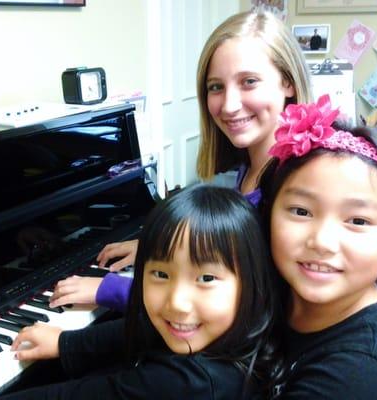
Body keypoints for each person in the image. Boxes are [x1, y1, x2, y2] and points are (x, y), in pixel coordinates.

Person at [49, 10, 312, 310]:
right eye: (216, 87)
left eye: (249, 81)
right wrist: (160, 250)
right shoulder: (251, 165)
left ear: (288, 82)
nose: (229, 104)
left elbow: (245, 295)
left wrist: (114, 290)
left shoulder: (294, 184)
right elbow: (230, 252)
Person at [0, 184, 282, 399]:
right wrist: (66, 344)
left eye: (206, 278)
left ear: (253, 282)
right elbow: (144, 326)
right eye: (160, 274)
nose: (177, 303)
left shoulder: (191, 383)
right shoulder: (242, 332)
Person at [257, 94, 377, 398]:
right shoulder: (278, 290)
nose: (321, 241)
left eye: (357, 221)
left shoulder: (360, 373)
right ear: (268, 213)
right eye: (301, 211)